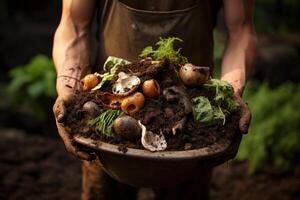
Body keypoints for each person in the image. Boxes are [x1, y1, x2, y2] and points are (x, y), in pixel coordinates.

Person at [52, 0, 257, 199]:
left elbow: (241, 31)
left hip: (192, 126)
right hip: (106, 115)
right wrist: (67, 88)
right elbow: (74, 26)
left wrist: (231, 94)